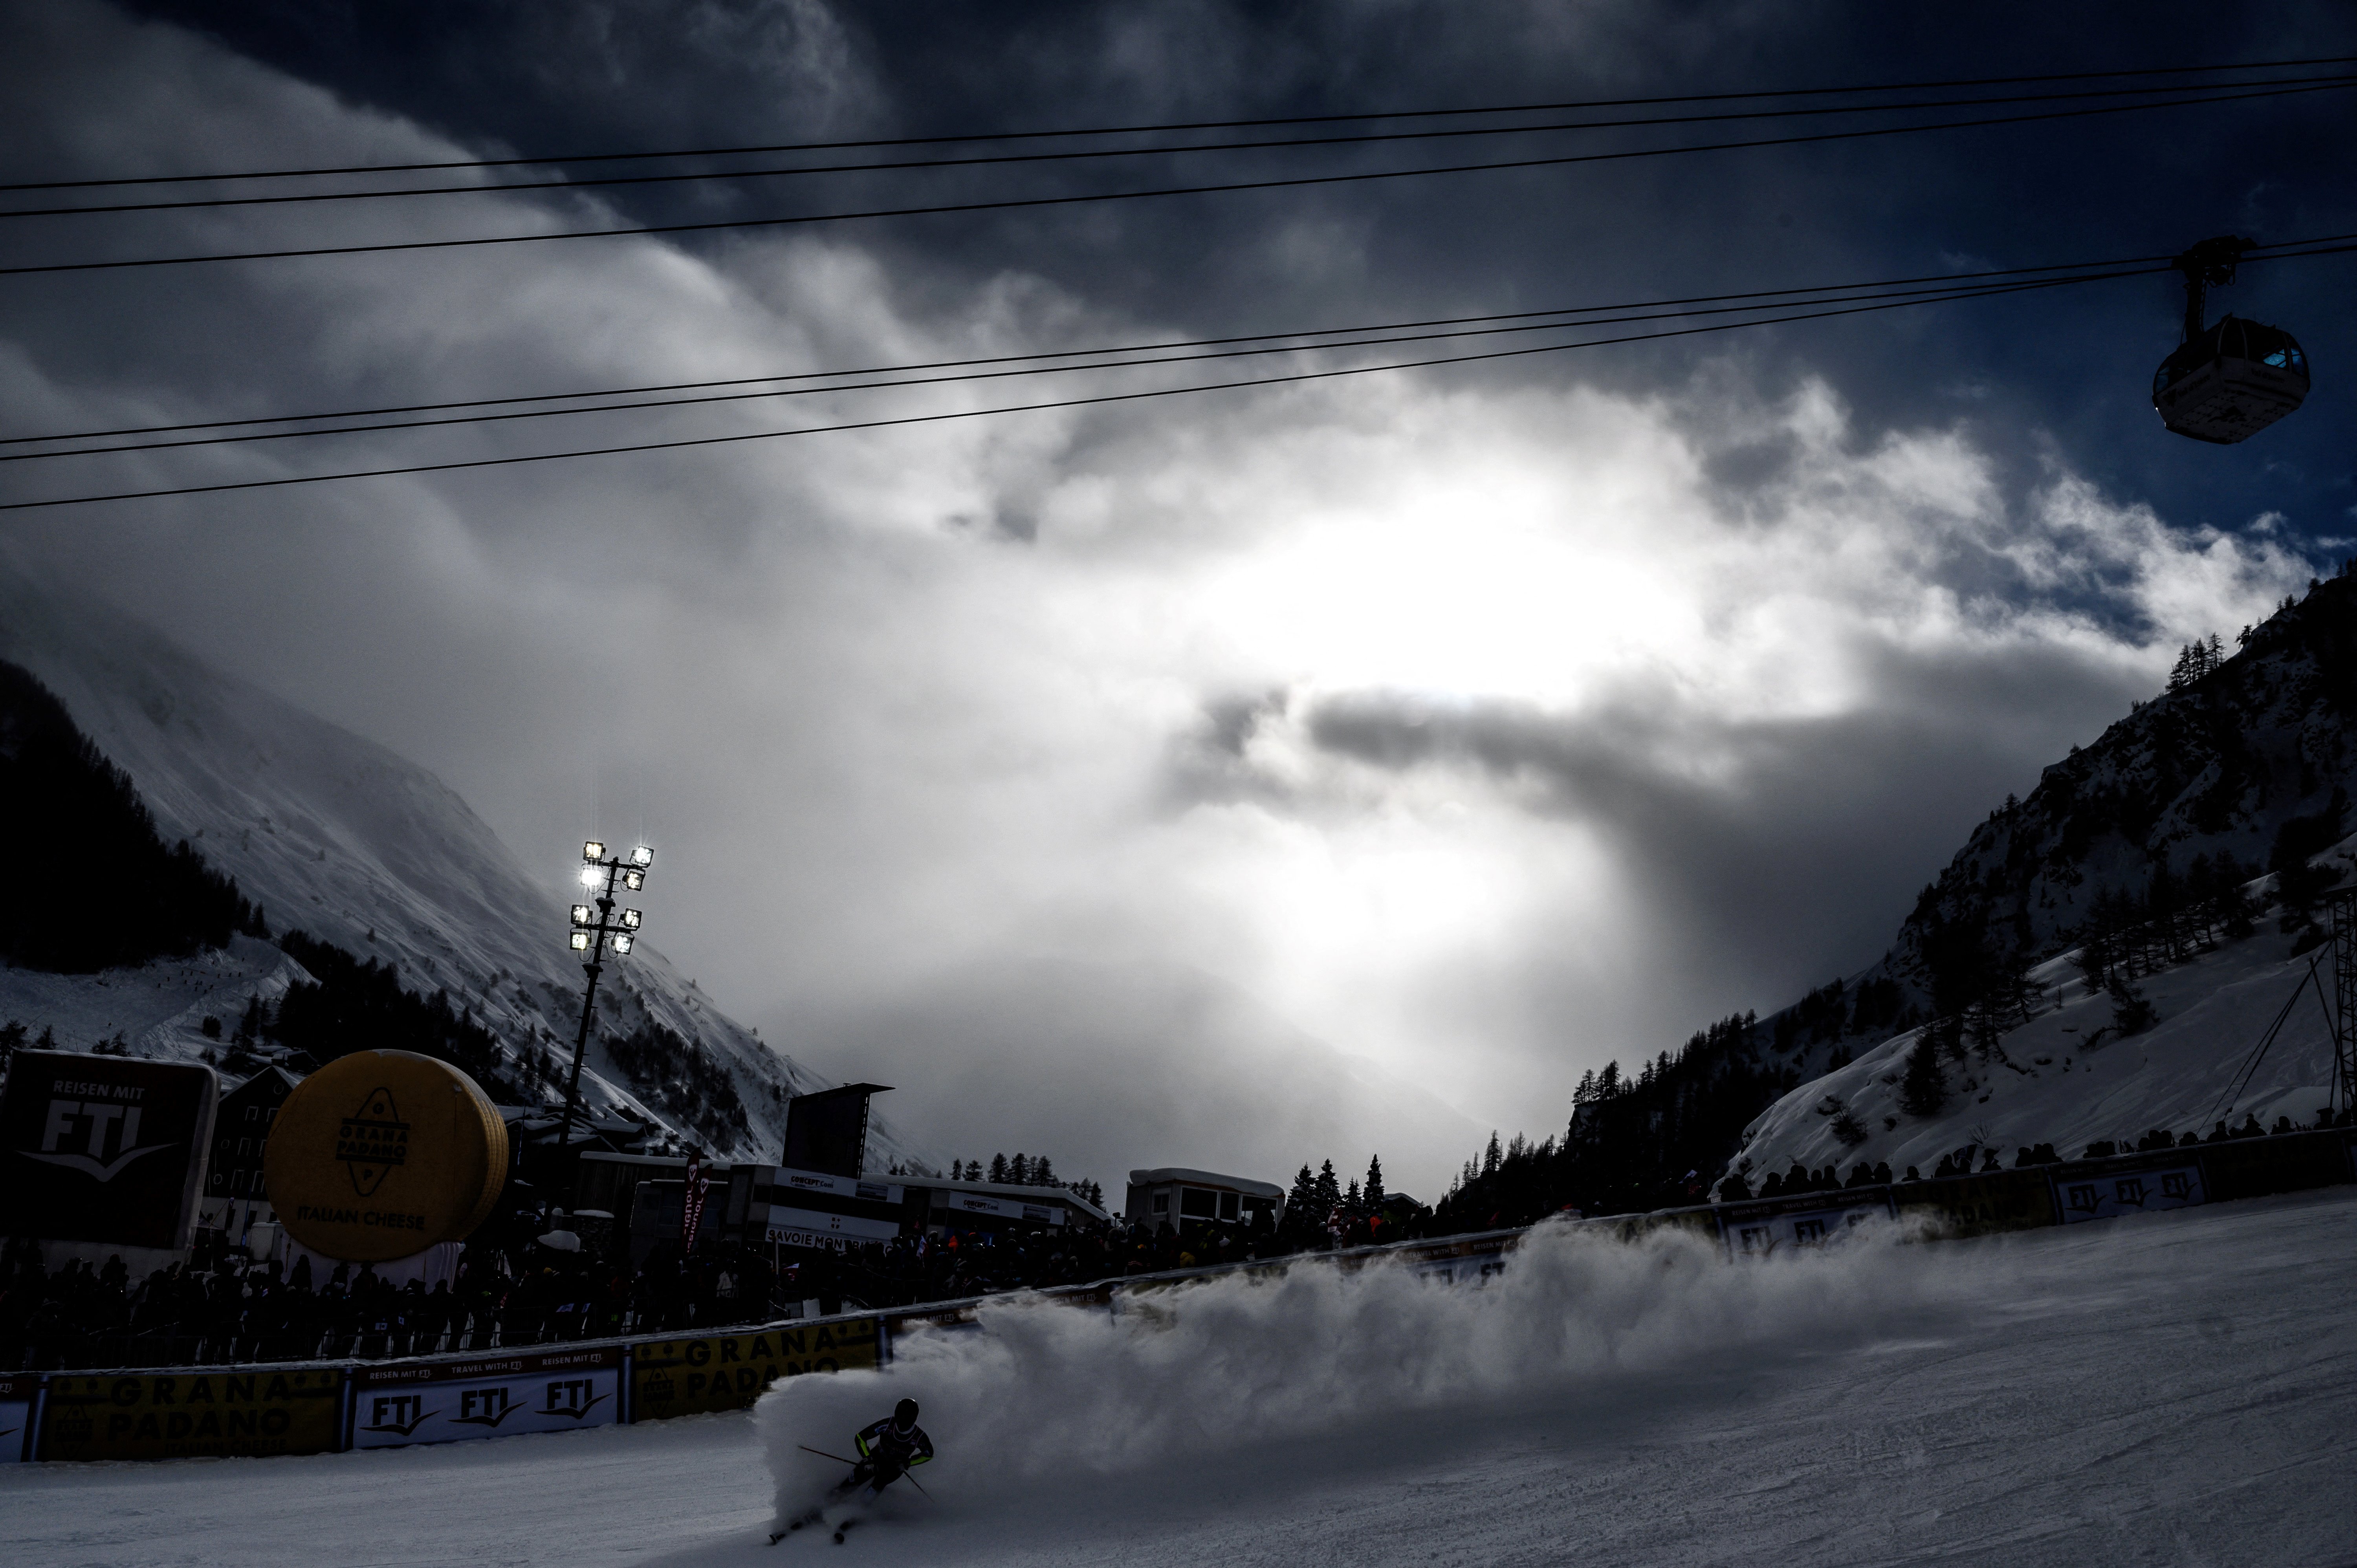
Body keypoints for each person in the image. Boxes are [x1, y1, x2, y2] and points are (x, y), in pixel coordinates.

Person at [838, 1398, 934, 1498]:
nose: (901, 1420)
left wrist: (908, 1463)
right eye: (900, 1415)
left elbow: (929, 1455)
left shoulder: (919, 1437)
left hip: (894, 1467)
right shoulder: (887, 1425)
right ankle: (832, 1499)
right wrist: (868, 1459)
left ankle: (858, 1509)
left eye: (905, 1416)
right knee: (854, 1481)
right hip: (875, 1459)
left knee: (877, 1486)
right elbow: (860, 1438)